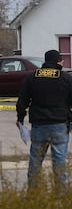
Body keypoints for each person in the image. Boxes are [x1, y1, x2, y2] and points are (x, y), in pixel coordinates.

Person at [16, 49, 72, 191]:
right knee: (59, 160)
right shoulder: (66, 78)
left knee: (35, 160)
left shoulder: (32, 77)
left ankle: (33, 192)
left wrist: (20, 118)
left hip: (39, 125)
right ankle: (61, 192)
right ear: (59, 61)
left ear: (45, 62)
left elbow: (22, 100)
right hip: (59, 125)